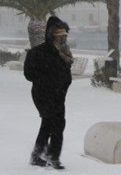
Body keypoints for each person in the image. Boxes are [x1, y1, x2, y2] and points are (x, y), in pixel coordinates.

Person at [24, 16, 73, 170]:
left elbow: (66, 74)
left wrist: (63, 85)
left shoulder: (64, 53)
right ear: (51, 35)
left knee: (55, 124)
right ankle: (49, 157)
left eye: (64, 36)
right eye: (59, 36)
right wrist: (46, 80)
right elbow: (29, 74)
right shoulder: (36, 53)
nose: (62, 39)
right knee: (51, 123)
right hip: (43, 95)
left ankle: (42, 156)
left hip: (59, 94)